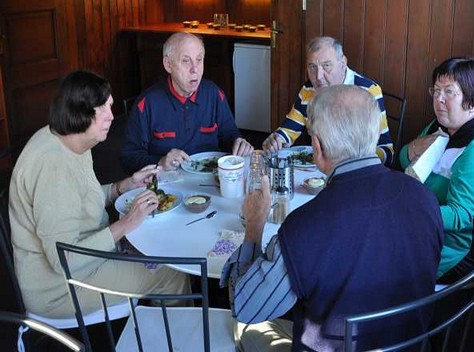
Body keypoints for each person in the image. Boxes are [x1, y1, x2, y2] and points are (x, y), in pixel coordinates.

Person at [222, 85, 444, 350]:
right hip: (411, 344)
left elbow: (245, 307)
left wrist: (255, 225)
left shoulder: (304, 228)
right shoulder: (425, 198)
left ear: (316, 147)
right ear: (376, 135)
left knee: (240, 326)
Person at [9, 70, 190, 318]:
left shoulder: (72, 140)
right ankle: (176, 334)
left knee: (165, 244)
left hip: (91, 258)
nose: (112, 116)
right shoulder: (51, 167)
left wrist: (123, 186)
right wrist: (127, 223)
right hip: (61, 288)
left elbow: (80, 200)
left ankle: (152, 322)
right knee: (172, 273)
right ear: (80, 113)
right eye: (102, 108)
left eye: (110, 106)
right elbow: (64, 260)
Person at [399, 57, 474, 283]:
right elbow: (404, 162)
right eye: (436, 91)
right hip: (424, 225)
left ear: (471, 98)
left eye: (449, 92)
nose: (439, 99)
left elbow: (459, 216)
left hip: (458, 249)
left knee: (380, 257)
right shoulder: (441, 125)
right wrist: (413, 148)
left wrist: (408, 211)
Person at [121, 32, 253, 173]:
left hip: (211, 177)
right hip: (168, 180)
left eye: (199, 60)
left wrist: (238, 142)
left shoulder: (214, 94)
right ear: (168, 64)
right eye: (186, 61)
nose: (194, 69)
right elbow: (129, 159)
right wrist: (160, 161)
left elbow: (230, 134)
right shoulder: (147, 103)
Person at [262, 36, 394, 166]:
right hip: (318, 171)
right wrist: (276, 140)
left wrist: (352, 163)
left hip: (357, 171)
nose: (318, 77)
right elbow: (289, 130)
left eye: (326, 65)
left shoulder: (368, 91)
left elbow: (386, 150)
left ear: (343, 63)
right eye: (312, 67)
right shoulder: (309, 90)